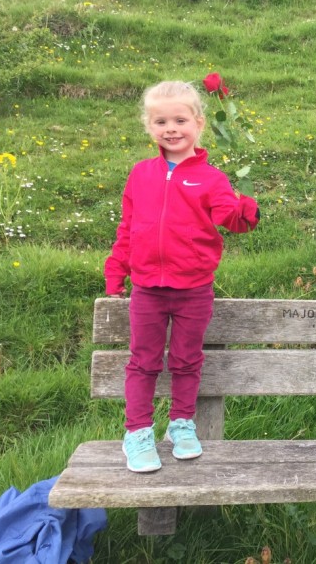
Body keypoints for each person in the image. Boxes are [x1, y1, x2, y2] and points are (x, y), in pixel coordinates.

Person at [105, 81, 260, 472]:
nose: (171, 128)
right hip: (147, 290)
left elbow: (231, 219)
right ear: (149, 126)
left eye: (179, 119)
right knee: (144, 362)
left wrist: (245, 211)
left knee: (187, 360)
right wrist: (116, 271)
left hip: (193, 291)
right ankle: (137, 433)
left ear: (199, 123)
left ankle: (181, 425)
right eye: (160, 121)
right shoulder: (140, 175)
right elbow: (128, 228)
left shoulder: (211, 178)